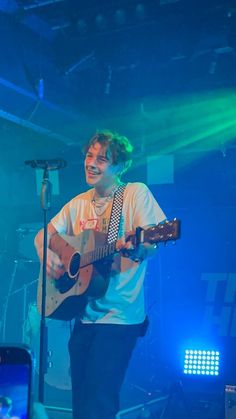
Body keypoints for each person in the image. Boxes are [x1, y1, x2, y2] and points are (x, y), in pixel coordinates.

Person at [34, 130, 166, 419]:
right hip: (84, 315)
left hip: (119, 318)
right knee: (81, 404)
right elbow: (43, 235)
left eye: (102, 159)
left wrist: (139, 246)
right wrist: (48, 256)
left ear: (120, 167)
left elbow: (151, 244)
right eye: (89, 156)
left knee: (99, 405)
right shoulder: (78, 203)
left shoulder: (134, 194)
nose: (91, 163)